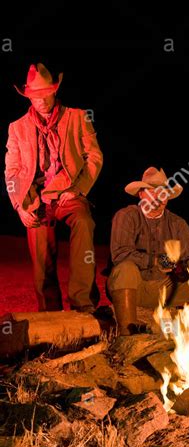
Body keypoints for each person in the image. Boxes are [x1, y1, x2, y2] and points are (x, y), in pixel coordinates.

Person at [5, 63, 103, 312]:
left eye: (46, 94)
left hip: (68, 191)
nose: (42, 101)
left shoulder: (78, 117)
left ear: (54, 91)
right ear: (29, 97)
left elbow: (94, 157)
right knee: (41, 259)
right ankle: (50, 314)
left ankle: (83, 303)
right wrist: (19, 205)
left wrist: (79, 189)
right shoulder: (17, 128)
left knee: (83, 221)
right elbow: (12, 170)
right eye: (36, 96)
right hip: (36, 198)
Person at [107, 166, 189, 336]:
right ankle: (128, 334)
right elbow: (120, 254)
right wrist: (156, 260)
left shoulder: (178, 223)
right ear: (141, 194)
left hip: (165, 289)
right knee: (125, 269)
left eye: (163, 192)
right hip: (133, 287)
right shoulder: (127, 216)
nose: (159, 196)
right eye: (152, 191)